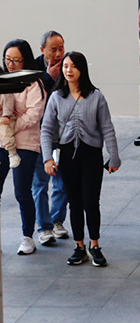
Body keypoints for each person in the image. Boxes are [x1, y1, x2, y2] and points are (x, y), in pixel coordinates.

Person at [40, 51, 120, 268]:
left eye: (73, 66)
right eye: (65, 66)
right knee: (74, 202)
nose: (69, 70)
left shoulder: (96, 96)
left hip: (92, 155)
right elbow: (46, 129)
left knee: (91, 201)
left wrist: (114, 157)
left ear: (82, 69)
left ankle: (95, 245)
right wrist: (47, 158)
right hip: (67, 156)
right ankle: (79, 246)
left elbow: (107, 128)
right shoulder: (56, 97)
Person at [0, 39, 51, 254]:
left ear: (26, 61)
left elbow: (33, 115)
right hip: (2, 142)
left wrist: (10, 125)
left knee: (22, 192)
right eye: (8, 60)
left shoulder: (34, 83)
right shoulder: (2, 81)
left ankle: (27, 237)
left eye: (16, 60)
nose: (11, 65)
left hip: (26, 143)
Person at [34, 30, 67, 245]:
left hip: (63, 135)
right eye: (53, 49)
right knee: (40, 182)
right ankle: (44, 227)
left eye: (61, 48)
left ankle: (57, 221)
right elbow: (33, 101)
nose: (58, 54)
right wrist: (48, 78)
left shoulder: (68, 66)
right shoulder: (34, 68)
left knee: (62, 181)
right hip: (39, 136)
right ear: (42, 50)